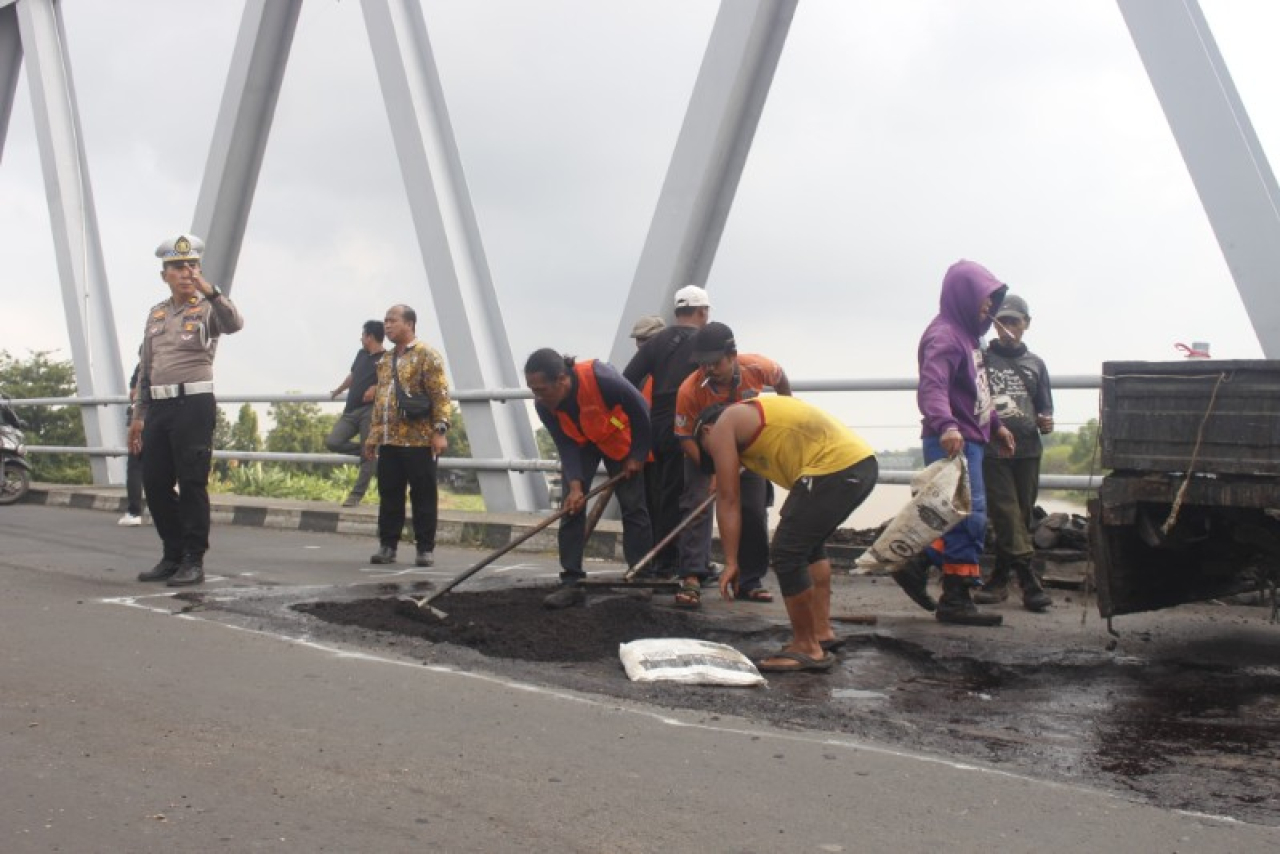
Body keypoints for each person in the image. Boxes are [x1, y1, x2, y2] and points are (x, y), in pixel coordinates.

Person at [694, 396, 877, 673]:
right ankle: (820, 632)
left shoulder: (722, 425)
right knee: (809, 546)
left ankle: (806, 647)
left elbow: (729, 500)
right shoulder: (749, 418)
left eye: (709, 453)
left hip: (834, 467)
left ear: (706, 431)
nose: (716, 457)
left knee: (786, 551)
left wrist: (731, 562)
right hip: (860, 464)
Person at [892, 259, 1014, 626]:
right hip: (952, 440)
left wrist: (996, 425)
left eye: (993, 300)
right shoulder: (945, 336)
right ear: (965, 296)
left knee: (961, 516)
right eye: (985, 299)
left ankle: (918, 564)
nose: (989, 307)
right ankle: (954, 597)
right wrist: (946, 425)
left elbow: (977, 392)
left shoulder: (968, 338)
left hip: (968, 438)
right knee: (966, 517)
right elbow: (933, 385)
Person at [130, 233, 244, 586]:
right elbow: (146, 370)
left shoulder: (209, 307)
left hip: (193, 404)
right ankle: (173, 553)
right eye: (178, 267)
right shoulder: (156, 314)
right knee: (154, 482)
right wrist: (138, 416)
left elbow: (234, 324)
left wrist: (210, 290)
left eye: (192, 265)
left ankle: (194, 559)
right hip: (159, 407)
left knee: (192, 483)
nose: (186, 272)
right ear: (164, 274)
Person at [671, 321, 788, 608]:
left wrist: (787, 410)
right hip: (705, 452)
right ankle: (692, 577)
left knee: (753, 508)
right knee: (696, 504)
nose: (709, 370)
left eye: (715, 363)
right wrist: (714, 470)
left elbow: (781, 379)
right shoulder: (690, 390)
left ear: (732, 355)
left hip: (748, 452)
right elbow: (684, 436)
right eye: (703, 364)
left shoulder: (757, 367)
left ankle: (750, 581)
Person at [525, 348, 654, 608]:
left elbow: (641, 410)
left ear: (562, 379)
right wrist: (575, 486)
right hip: (581, 443)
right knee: (571, 508)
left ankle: (641, 577)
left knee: (633, 506)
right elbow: (565, 444)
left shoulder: (602, 378)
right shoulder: (544, 406)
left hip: (617, 435)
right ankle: (571, 582)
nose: (537, 397)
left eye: (542, 389)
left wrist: (637, 456)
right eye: (533, 389)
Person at [622, 285, 712, 579]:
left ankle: (663, 560)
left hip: (656, 427)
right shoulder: (704, 340)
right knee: (688, 495)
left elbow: (627, 381)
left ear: (676, 313)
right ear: (702, 311)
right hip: (688, 425)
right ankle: (677, 564)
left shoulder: (656, 342)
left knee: (662, 494)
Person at [975, 294, 1054, 611]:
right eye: (1002, 321)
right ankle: (1030, 581)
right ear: (994, 324)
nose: (1008, 328)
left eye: (1014, 322)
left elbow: (1045, 406)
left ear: (1026, 325)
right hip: (993, 450)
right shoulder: (981, 358)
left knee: (1019, 517)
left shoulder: (1036, 364)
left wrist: (1047, 422)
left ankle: (998, 580)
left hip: (1028, 450)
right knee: (1006, 513)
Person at [363, 305, 451, 568]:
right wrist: (372, 437)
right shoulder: (386, 359)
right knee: (389, 494)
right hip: (390, 440)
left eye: (393, 320)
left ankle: (425, 549)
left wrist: (440, 431)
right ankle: (387, 546)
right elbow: (381, 401)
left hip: (419, 439)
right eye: (385, 321)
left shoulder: (427, 355)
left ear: (410, 324)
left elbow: (440, 395)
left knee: (423, 495)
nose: (387, 325)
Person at [326, 320, 386, 507]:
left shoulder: (387, 358)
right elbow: (353, 376)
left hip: (370, 411)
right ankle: (367, 451)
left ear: (370, 337)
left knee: (368, 454)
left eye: (363, 335)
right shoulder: (361, 354)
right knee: (333, 442)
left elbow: (394, 381)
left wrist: (376, 387)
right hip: (351, 410)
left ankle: (356, 495)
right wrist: (338, 390)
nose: (361, 339)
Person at [118, 362, 145, 526]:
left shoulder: (143, 365)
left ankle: (134, 512)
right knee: (165, 465)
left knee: (135, 464)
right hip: (168, 417)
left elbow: (134, 393)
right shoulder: (174, 361)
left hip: (142, 418)